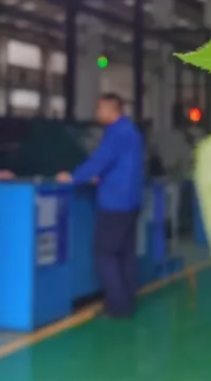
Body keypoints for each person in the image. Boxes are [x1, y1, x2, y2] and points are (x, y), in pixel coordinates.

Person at [57, 93, 144, 318]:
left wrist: (74, 177)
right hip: (130, 201)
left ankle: (118, 306)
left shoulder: (116, 133)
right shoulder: (131, 131)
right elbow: (118, 165)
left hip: (115, 203)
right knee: (125, 254)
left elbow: (100, 160)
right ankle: (127, 300)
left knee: (105, 254)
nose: (96, 113)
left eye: (99, 109)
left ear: (110, 109)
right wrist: (102, 177)